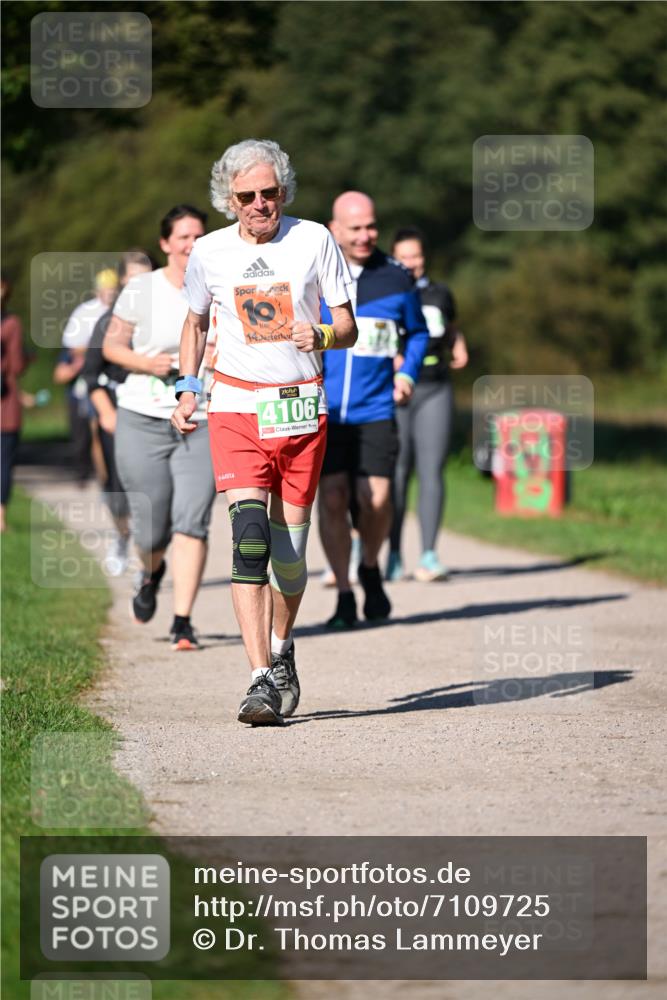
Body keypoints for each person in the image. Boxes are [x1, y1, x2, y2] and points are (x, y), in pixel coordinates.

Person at [171, 138, 356, 726]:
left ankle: (282, 650)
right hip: (235, 410)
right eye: (247, 196)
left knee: (290, 558)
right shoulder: (208, 251)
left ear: (284, 193)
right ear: (229, 199)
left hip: (301, 411)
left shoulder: (314, 238)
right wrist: (187, 389)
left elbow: (348, 327)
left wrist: (321, 336)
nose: (259, 204)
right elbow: (195, 323)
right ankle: (258, 682)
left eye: (269, 193)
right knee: (249, 542)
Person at [103, 206, 216, 651]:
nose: (192, 244)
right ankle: (149, 574)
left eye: (198, 236)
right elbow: (111, 345)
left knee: (193, 520)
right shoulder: (140, 289)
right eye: (183, 237)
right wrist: (144, 361)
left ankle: (183, 621)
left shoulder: (220, 284)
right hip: (142, 414)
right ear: (166, 244)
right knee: (151, 528)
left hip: (202, 418)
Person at [318, 192, 429, 628]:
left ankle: (370, 565)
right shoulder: (315, 272)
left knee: (376, 498)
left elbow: (417, 334)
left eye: (371, 226)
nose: (365, 236)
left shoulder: (395, 278)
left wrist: (408, 374)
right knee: (332, 497)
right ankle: (345, 592)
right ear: (334, 228)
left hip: (376, 406)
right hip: (324, 410)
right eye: (355, 228)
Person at [387, 228, 469, 582]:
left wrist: (459, 344)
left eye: (416, 256)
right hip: (396, 393)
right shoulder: (386, 292)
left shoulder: (439, 293)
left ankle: (429, 555)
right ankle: (390, 552)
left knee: (432, 470)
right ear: (394, 259)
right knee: (397, 473)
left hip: (435, 387)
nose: (411, 263)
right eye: (404, 257)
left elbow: (450, 327)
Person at [81, 250, 154, 576]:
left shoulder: (165, 315)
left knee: (153, 488)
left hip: (156, 411)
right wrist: (106, 414)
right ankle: (122, 537)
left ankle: (148, 558)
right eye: (133, 279)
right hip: (118, 411)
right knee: (118, 486)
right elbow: (90, 374)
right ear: (123, 280)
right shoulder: (107, 322)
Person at [54, 268, 119, 483]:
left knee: (106, 431)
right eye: (106, 290)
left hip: (113, 376)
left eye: (113, 290)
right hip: (89, 377)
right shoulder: (85, 312)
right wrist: (97, 347)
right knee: (90, 431)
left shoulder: (124, 309)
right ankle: (101, 477)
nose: (109, 295)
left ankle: (110, 477)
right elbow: (72, 348)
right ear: (97, 291)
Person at [1, 276, 29, 532]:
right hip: (5, 404)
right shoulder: (11, 324)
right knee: (4, 462)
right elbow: (16, 365)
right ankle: (0, 519)